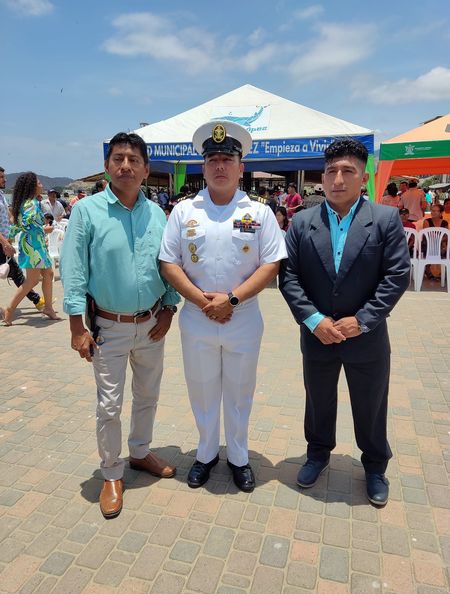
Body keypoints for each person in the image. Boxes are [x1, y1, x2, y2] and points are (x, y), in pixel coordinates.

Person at [279, 138, 410, 507]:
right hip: (318, 335)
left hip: (366, 337)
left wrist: (363, 320)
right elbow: (289, 277)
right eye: (331, 171)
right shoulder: (302, 222)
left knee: (371, 403)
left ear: (363, 177)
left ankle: (375, 465)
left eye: (347, 171)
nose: (338, 179)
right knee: (318, 400)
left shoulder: (384, 220)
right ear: (322, 177)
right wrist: (314, 319)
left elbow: (396, 275)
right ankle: (317, 453)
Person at [159, 120, 287, 492]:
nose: (219, 166)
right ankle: (205, 453)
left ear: (240, 167)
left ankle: (239, 457)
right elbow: (168, 262)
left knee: (239, 391)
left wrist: (231, 300)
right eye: (212, 159)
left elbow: (271, 264)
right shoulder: (184, 211)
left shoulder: (259, 212)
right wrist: (203, 301)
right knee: (201, 389)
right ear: (203, 167)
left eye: (227, 159)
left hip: (242, 317)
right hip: (197, 316)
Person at [60, 132, 180, 519]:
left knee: (148, 395)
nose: (125, 165)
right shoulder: (87, 211)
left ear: (146, 169)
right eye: (118, 159)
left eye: (133, 160)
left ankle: (140, 452)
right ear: (107, 166)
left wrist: (169, 308)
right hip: (107, 327)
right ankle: (112, 472)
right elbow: (74, 270)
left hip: (152, 324)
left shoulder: (157, 214)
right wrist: (76, 327)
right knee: (109, 405)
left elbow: (169, 264)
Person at [2, 172, 60, 325]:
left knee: (48, 273)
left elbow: (18, 225)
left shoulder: (30, 202)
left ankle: (48, 308)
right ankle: (10, 309)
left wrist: (9, 238)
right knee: (32, 280)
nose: (41, 184)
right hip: (32, 246)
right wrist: (45, 230)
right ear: (32, 186)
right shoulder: (30, 204)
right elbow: (27, 226)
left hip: (35, 244)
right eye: (39, 182)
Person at [0, 166, 44, 314]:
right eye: (1, 177)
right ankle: (37, 301)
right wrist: (5, 243)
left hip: (4, 240)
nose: (5, 179)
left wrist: (16, 226)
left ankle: (38, 301)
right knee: (18, 274)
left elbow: (9, 216)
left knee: (17, 274)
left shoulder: (1, 195)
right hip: (2, 242)